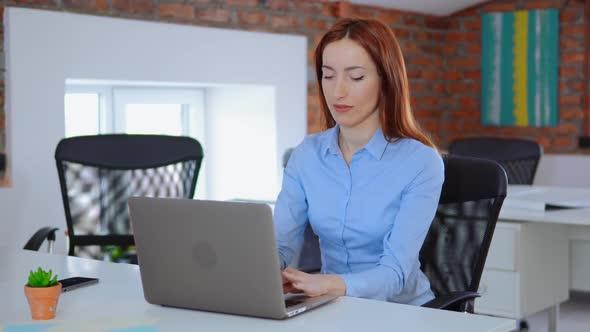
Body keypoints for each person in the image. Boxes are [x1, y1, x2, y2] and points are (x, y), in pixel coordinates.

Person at [274, 18, 444, 305]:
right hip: (332, 307)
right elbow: (279, 246)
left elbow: (394, 273)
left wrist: (327, 283)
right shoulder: (306, 155)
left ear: (386, 80)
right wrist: (264, 271)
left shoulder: (421, 162)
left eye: (355, 77)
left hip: (403, 313)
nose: (337, 91)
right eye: (328, 76)